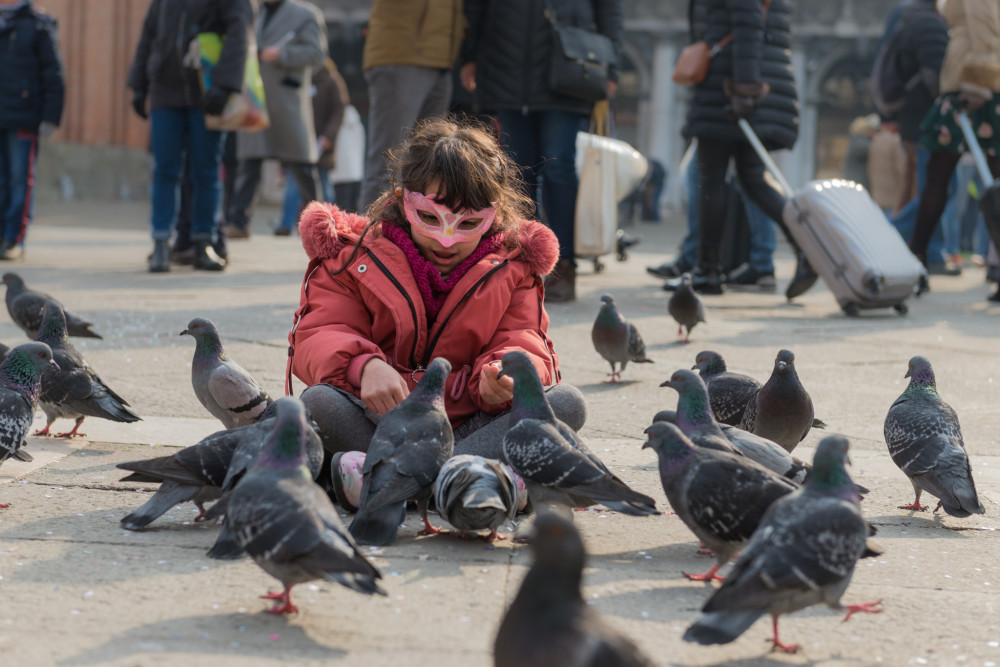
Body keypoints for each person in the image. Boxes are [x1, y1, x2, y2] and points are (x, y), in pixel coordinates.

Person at [288, 118, 587, 506]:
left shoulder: (514, 269)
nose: (446, 240)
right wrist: (362, 366)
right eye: (430, 218)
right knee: (319, 403)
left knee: (566, 403)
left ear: (494, 214)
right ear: (402, 198)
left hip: (470, 424)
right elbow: (320, 332)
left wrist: (503, 376)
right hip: (384, 423)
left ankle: (403, 483)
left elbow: (524, 340)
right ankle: (467, 480)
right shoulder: (352, 257)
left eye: (468, 224)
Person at [460, 0, 624, 303]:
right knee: (517, 174)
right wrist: (469, 55)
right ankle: (519, 264)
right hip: (506, 68)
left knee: (559, 167)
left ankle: (563, 265)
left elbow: (609, 9)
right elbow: (475, 8)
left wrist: (611, 66)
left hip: (565, 69)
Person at [661, 0, 816, 299]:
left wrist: (744, 90)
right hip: (753, 82)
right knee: (753, 179)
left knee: (711, 178)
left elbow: (748, 26)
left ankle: (708, 270)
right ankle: (807, 251)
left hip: (730, 86)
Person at [128, 0, 253, 273]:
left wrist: (224, 85)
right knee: (164, 170)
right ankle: (161, 243)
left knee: (206, 172)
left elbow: (239, 32)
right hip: (164, 90)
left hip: (207, 91)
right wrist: (138, 84)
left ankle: (203, 244)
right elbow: (149, 34)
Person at [908, 0, 1000, 300]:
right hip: (974, 73)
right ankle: (917, 259)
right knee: (948, 175)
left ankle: (917, 260)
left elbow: (984, 22)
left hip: (974, 78)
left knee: (942, 176)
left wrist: (978, 80)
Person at [226, 0, 326, 240]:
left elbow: (317, 53)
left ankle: (322, 225)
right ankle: (239, 222)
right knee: (249, 164)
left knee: (301, 165)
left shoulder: (306, 14)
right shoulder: (252, 12)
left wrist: (283, 54)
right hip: (255, 99)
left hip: (287, 101)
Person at [357, 0, 465, 213]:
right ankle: (368, 234)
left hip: (441, 60)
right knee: (389, 156)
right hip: (400, 55)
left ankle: (414, 231)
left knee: (430, 161)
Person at [879, 0, 957, 275]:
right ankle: (886, 235)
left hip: (917, 118)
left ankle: (931, 251)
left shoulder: (909, 18)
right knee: (936, 187)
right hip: (928, 119)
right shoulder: (929, 24)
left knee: (934, 185)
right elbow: (936, 77)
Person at [648, 142, 778, 291]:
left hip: (724, 122)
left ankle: (698, 261)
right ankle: (763, 264)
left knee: (703, 173)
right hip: (749, 123)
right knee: (752, 179)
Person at [0, 0, 64, 261]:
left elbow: (54, 74)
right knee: (2, 181)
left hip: (24, 117)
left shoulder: (38, 25)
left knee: (19, 180)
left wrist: (50, 117)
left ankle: (15, 238)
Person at [275, 58, 349, 235]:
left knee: (322, 184)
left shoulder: (331, 80)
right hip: (299, 143)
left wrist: (328, 137)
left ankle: (329, 224)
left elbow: (339, 110)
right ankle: (286, 224)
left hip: (321, 144)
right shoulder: (297, 77)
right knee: (294, 183)